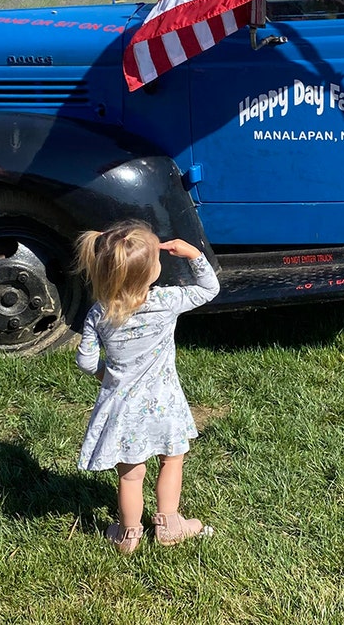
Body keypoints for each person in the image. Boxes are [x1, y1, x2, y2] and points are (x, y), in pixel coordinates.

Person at [74, 219, 221, 554]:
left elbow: (84, 361)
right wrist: (194, 255)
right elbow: (209, 289)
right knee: (172, 460)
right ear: (151, 272)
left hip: (122, 408)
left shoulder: (99, 314)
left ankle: (128, 535)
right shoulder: (166, 302)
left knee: (130, 474)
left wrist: (107, 377)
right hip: (164, 403)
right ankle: (169, 523)